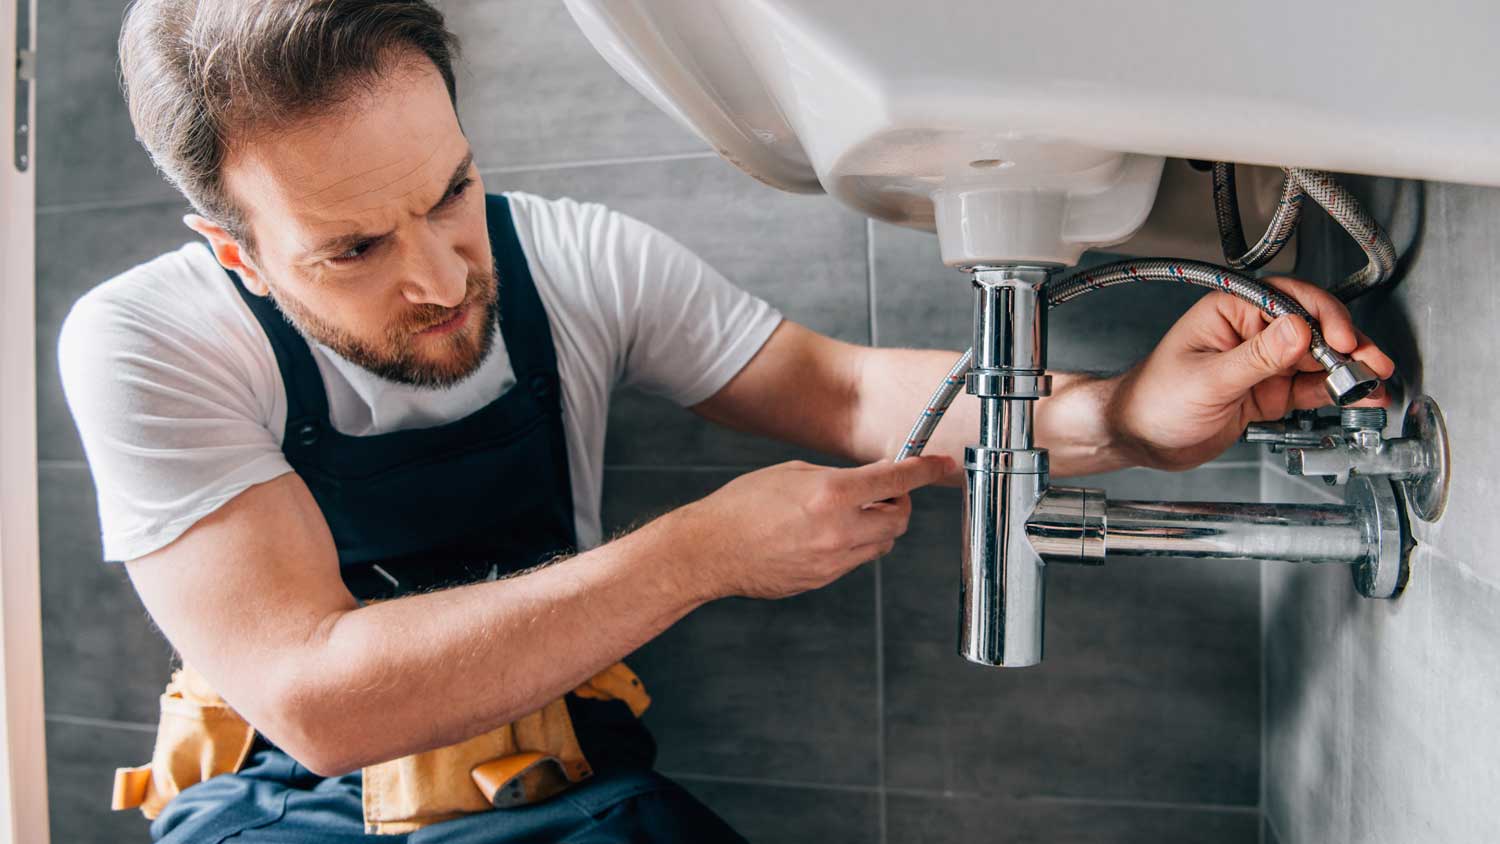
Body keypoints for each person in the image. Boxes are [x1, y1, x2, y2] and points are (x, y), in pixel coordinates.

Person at [59, 1, 1395, 841]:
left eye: (451, 191)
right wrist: (701, 551)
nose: (442, 273)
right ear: (236, 255)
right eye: (353, 249)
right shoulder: (150, 340)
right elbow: (316, 698)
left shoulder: (570, 261)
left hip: (562, 787)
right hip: (290, 812)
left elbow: (847, 393)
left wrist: (1131, 416)